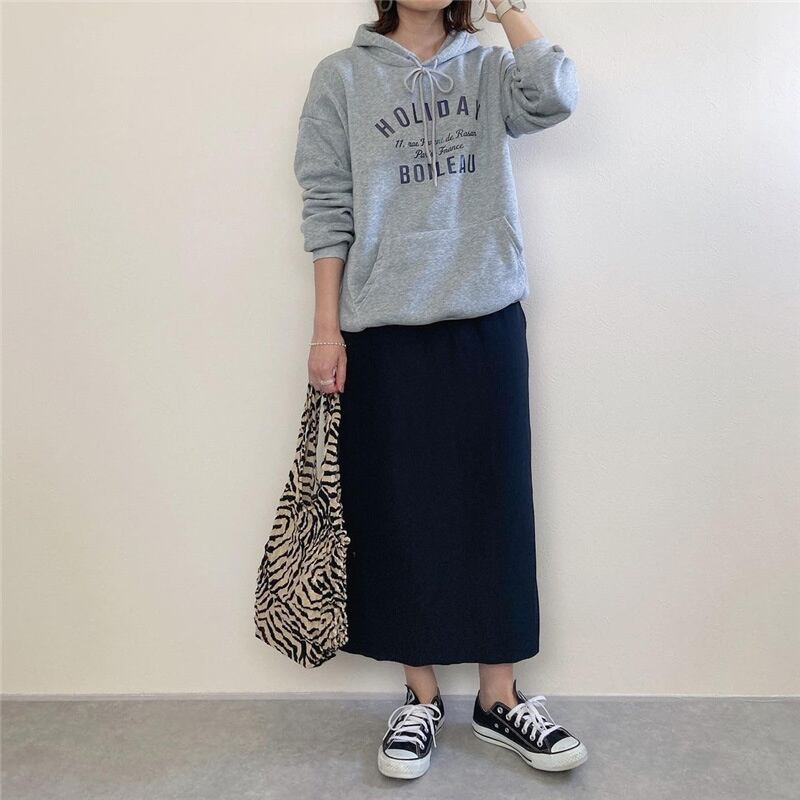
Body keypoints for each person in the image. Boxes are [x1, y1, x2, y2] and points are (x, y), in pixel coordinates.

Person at [293, 0, 586, 780]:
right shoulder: (342, 77)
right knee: (399, 509)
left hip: (485, 311)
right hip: (383, 325)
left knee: (496, 502)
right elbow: (327, 204)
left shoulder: (489, 68)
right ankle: (419, 698)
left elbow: (555, 96)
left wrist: (510, 10)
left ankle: (500, 698)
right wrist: (326, 330)